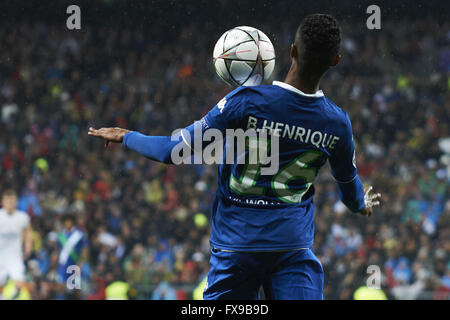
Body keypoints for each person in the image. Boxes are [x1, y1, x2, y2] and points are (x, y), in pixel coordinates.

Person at [88, 14, 381, 300]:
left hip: (236, 250)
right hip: (292, 250)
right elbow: (348, 183)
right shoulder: (337, 123)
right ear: (335, 61)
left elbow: (171, 151)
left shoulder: (245, 102)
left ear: (292, 51)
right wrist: (360, 204)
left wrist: (127, 136)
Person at [0, 189, 33, 299]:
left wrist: (28, 247)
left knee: (19, 284)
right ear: (3, 202)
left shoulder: (23, 217)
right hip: (1, 255)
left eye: (12, 200)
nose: (10, 203)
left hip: (15, 256)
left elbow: (28, 232)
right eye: (7, 200)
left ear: (16, 202)